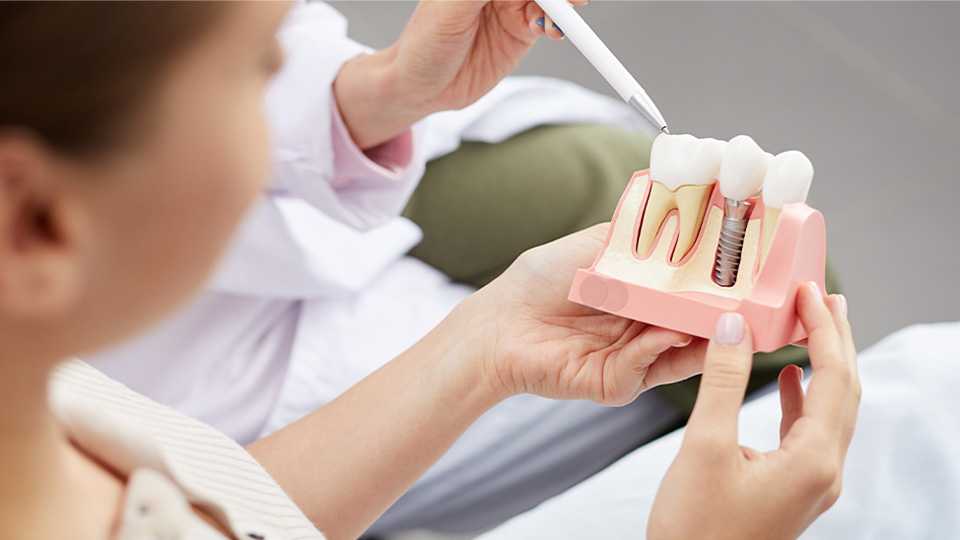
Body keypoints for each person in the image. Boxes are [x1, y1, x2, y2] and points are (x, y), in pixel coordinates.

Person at [0, 2, 857, 540]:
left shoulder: (57, 428)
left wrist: (483, 345)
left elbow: (228, 510)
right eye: (257, 71)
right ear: (38, 224)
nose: (279, 102)